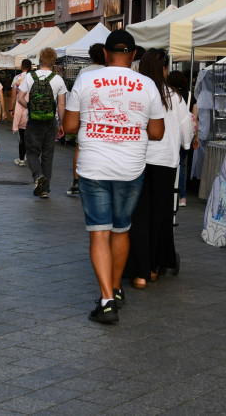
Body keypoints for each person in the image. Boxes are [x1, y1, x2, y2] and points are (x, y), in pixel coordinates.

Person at [62, 30, 165, 324]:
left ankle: (107, 300)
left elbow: (69, 126)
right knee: (121, 229)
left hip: (93, 165)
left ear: (105, 54)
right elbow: (157, 132)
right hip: (130, 167)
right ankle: (116, 289)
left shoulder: (85, 79)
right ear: (134, 55)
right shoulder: (147, 85)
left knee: (99, 231)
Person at [125, 49, 193, 289]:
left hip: (138, 160)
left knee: (138, 216)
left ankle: (139, 272)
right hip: (165, 162)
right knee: (160, 216)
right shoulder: (174, 97)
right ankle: (153, 267)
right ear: (163, 69)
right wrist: (183, 145)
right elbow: (187, 133)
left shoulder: (136, 91)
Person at [17, 47, 67, 199]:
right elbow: (61, 105)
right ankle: (45, 190)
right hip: (50, 121)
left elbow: (19, 98)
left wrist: (30, 107)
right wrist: (62, 124)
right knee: (47, 154)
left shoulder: (30, 77)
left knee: (32, 152)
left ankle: (38, 175)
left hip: (34, 120)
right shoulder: (58, 79)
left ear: (39, 61)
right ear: (53, 62)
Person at [68, 43, 106, 196]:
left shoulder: (84, 72)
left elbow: (76, 96)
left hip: (86, 116)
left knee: (79, 149)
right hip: (103, 117)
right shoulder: (108, 72)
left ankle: (77, 181)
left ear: (91, 57)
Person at [166, 69, 198, 207]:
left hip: (172, 134)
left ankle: (173, 194)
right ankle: (182, 197)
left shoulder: (168, 95)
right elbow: (195, 119)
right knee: (181, 166)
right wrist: (196, 137)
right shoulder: (191, 96)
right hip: (187, 135)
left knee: (174, 165)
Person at [10, 59, 32, 166]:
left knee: (22, 135)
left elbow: (14, 95)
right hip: (32, 108)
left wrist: (11, 109)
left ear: (21, 66)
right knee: (31, 135)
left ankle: (22, 158)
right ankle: (30, 155)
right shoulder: (34, 78)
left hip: (21, 107)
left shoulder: (17, 78)